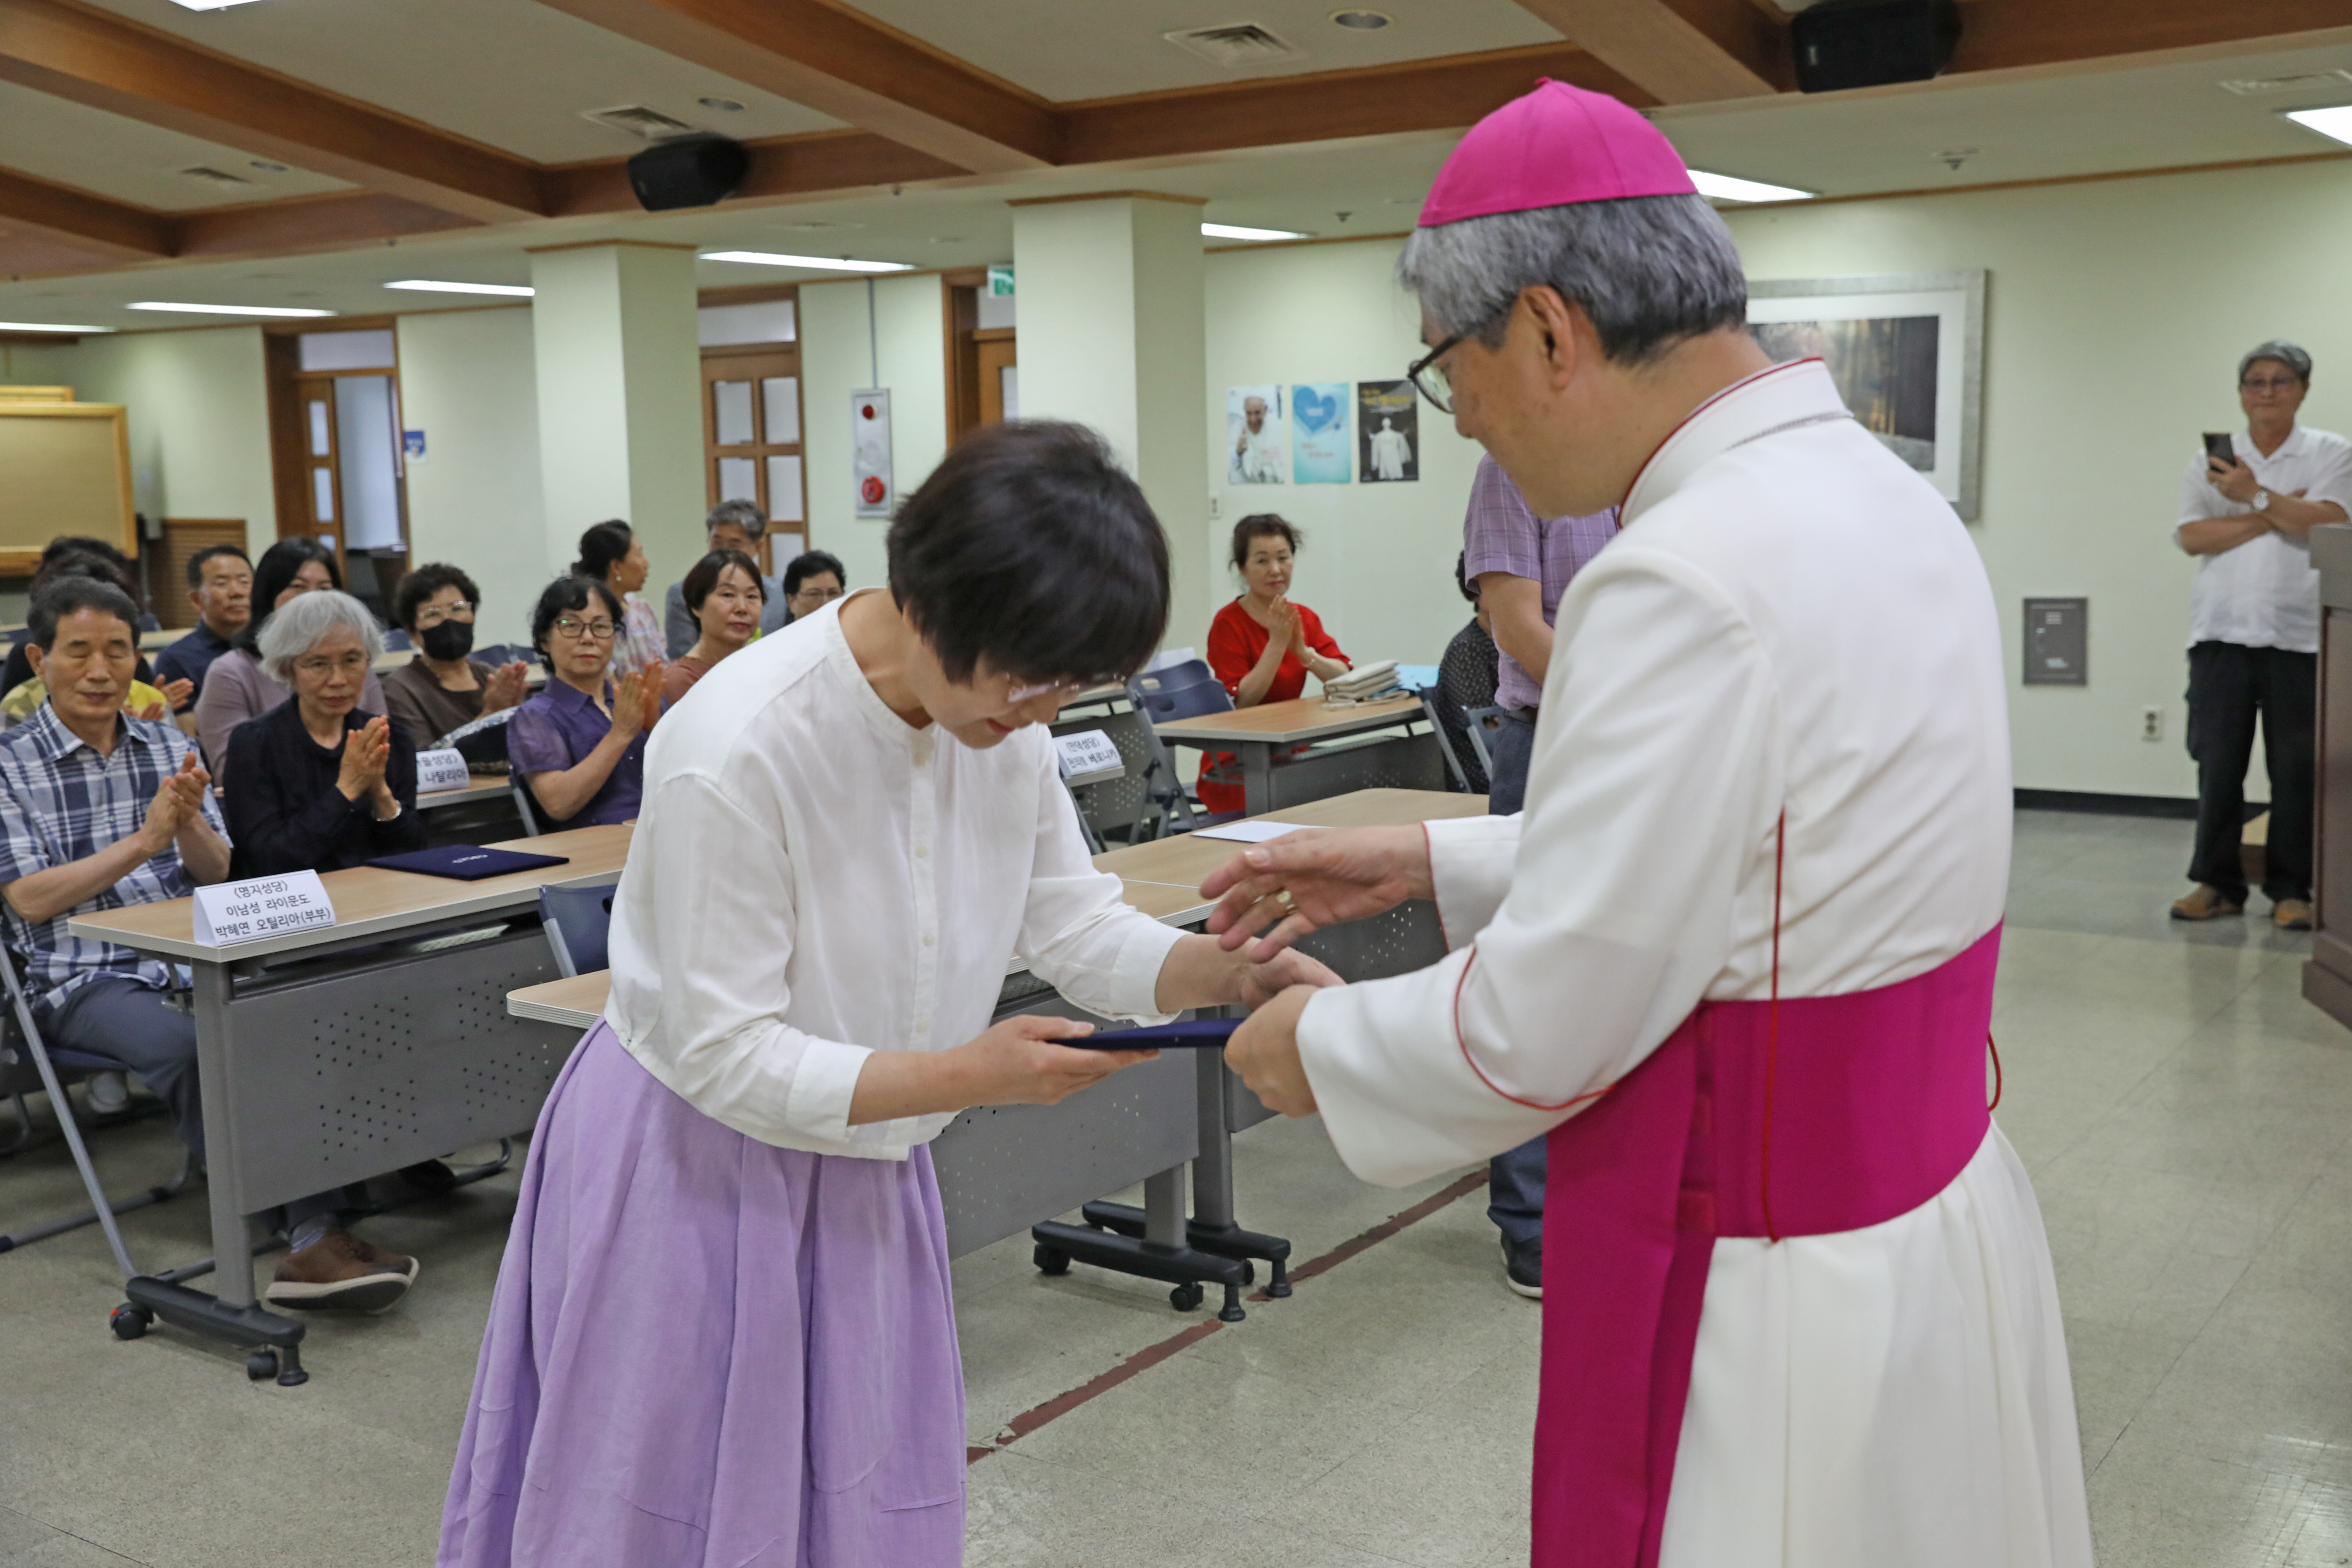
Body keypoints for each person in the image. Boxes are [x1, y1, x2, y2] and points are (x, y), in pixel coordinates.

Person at [1208, 80, 2091, 1568]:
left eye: (1450, 370)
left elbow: (1541, 1026)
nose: (1463, 417)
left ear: (1546, 330)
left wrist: (1317, 1053)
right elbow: (1777, 854)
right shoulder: (1876, 494)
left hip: (1767, 1285)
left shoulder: (1672, 572)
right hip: (1921, 1211)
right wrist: (1434, 851)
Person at [439, 420, 1335, 1567]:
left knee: (852, 1496)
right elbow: (726, 1052)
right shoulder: (742, 741)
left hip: (868, 1143)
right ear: (932, 606)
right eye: (1033, 680)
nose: (1043, 715)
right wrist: (974, 1075)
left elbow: (1067, 919)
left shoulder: (1003, 721)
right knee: (664, 1505)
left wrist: (1223, 966)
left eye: (1072, 685)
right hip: (692, 1157)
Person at [0, 575, 419, 1310]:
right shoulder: (9, 761)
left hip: (192, 951)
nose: (101, 670)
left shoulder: (164, 739)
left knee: (289, 1014)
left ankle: (335, 1204)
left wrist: (188, 821)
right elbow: (29, 898)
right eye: (79, 652)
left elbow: (221, 871)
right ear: (40, 658)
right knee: (201, 1048)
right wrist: (147, 839)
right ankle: (309, 1237)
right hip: (80, 976)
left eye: (118, 651)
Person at [1462, 453, 1618, 1295]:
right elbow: (1518, 626)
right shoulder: (1511, 472)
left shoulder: (1637, 465)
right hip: (1554, 736)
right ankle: (1529, 1219)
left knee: (1625, 970)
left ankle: (1607, 1191)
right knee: (1531, 981)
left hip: (1639, 740)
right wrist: (1627, 703)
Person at [2170, 340, 2352, 930]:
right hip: (2220, 634)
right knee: (2217, 764)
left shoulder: (2331, 453)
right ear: (2242, 391)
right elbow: (2194, 537)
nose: (2266, 392)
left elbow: (2329, 523)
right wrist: (2274, 511)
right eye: (2255, 381)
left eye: (2280, 381)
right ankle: (2216, 884)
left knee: (2297, 768)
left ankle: (2291, 890)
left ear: (2302, 389)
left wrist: (2249, 498)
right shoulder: (2213, 458)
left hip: (2298, 637)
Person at [224, 590, 427, 877]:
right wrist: (346, 791)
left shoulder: (391, 739)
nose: (338, 680)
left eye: (352, 661)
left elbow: (414, 854)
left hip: (383, 899)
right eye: (318, 664)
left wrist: (381, 795)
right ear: (288, 669)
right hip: (299, 909)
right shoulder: (254, 744)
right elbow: (268, 860)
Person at [193, 539, 387, 786]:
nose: (314, 600)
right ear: (269, 594)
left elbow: (382, 752)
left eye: (325, 589)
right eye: (298, 587)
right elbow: (233, 774)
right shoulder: (231, 672)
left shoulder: (355, 667)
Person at [1198, 515, 1351, 814]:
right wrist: (1277, 644)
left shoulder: (1303, 617)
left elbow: (1345, 678)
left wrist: (1305, 653)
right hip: (1238, 764)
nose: (1276, 570)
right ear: (1242, 568)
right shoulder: (1227, 623)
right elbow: (1241, 701)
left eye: (1284, 558)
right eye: (1262, 561)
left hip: (1290, 752)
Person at [507, 576, 660, 829]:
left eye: (601, 627)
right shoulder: (535, 717)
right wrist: (620, 734)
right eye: (571, 625)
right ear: (544, 640)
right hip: (596, 852)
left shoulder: (635, 699)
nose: (588, 638)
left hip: (660, 837)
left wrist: (658, 728)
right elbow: (558, 804)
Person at [0, 552, 186, 711]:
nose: (99, 674)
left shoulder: (150, 706)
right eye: (79, 654)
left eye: (115, 654)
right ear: (38, 661)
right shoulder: (18, 715)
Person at [379, 564, 530, 751]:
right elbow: (424, 761)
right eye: (433, 614)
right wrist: (490, 716)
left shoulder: (490, 676)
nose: (448, 620)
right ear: (413, 633)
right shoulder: (400, 689)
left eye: (458, 609)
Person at [661, 500, 791, 659]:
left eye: (734, 545)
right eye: (717, 542)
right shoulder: (684, 593)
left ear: (759, 546)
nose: (724, 552)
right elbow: (682, 656)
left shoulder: (781, 593)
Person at [153, 544, 252, 710]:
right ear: (196, 600)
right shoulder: (176, 660)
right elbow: (187, 730)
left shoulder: (274, 647)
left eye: (245, 582)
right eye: (222, 584)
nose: (237, 592)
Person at [663, 549, 768, 705]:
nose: (742, 608)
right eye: (728, 595)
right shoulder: (682, 680)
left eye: (752, 597)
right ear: (697, 605)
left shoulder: (764, 670)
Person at [1435, 551, 1497, 797]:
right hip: (1485, 770)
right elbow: (1489, 725)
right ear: (1476, 592)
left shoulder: (1514, 640)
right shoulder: (1468, 647)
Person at [572, 521, 663, 678]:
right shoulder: (590, 621)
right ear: (616, 567)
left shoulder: (644, 611)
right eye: (639, 554)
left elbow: (664, 668)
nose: (646, 564)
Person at [780, 548, 848, 623]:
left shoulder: (854, 634)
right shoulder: (782, 635)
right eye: (814, 594)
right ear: (792, 602)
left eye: (833, 594)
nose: (826, 602)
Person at [1231, 393, 1283, 483]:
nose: (1253, 419)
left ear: (1266, 410)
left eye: (1257, 413)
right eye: (1249, 413)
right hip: (1248, 487)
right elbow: (1230, 464)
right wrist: (1239, 452)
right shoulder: (1236, 430)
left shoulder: (1279, 428)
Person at [1369, 415, 1413, 481]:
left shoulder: (1379, 437)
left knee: (1387, 477)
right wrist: (1404, 458)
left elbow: (1375, 452)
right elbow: (1403, 448)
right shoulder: (1397, 435)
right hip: (1393, 458)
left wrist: (1375, 464)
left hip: (1385, 458)